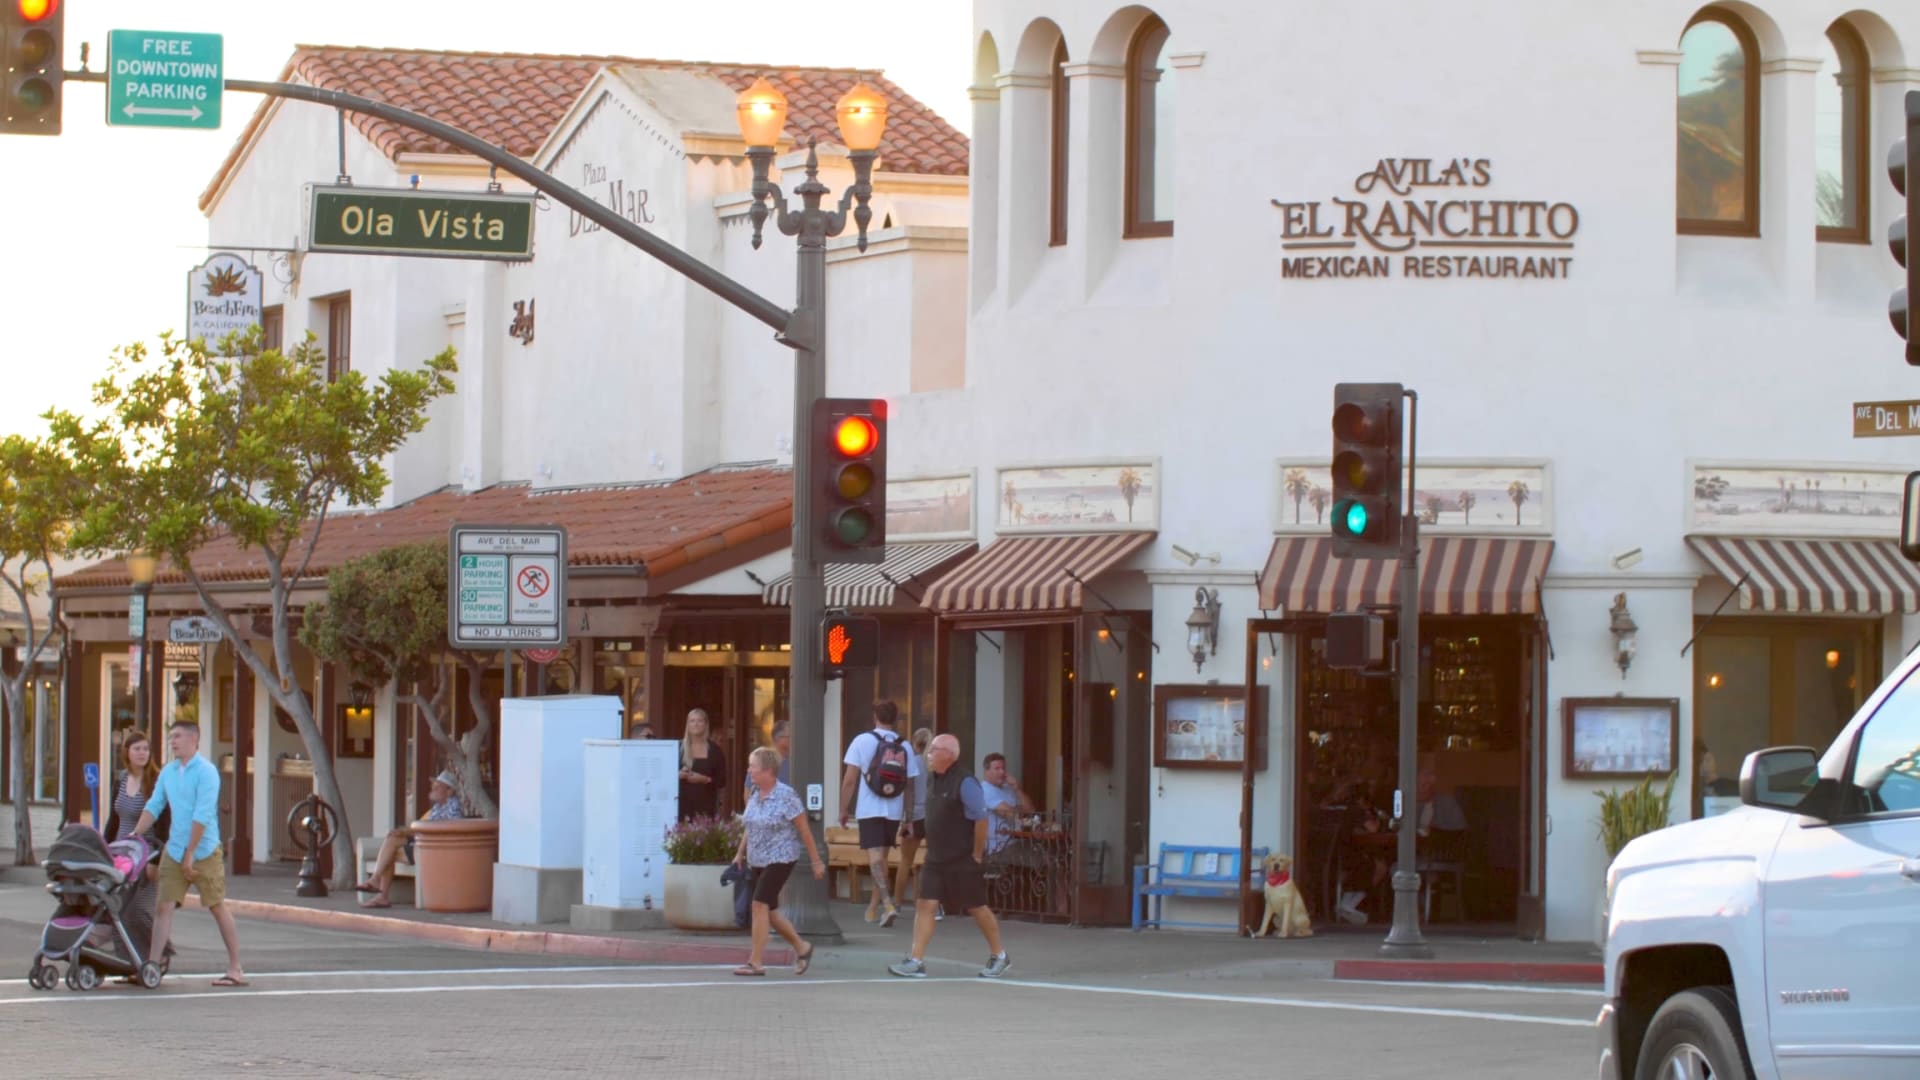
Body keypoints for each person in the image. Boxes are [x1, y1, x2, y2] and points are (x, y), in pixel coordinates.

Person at [133, 720, 247, 988]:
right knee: (164, 906)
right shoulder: (168, 772)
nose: (173, 741)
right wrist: (135, 834)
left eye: (178, 736)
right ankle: (151, 966)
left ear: (194, 739)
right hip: (174, 848)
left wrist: (191, 854)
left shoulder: (207, 772)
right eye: (171, 737)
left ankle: (235, 968)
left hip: (204, 850)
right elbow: (155, 804)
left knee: (217, 906)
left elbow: (202, 814)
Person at [887, 733, 1010, 979]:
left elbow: (981, 819)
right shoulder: (933, 779)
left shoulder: (965, 782)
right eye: (929, 750)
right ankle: (916, 960)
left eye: (934, 750)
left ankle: (1000, 956)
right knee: (925, 904)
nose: (928, 754)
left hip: (962, 857)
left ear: (949, 755)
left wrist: (976, 854)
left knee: (977, 907)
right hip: (936, 857)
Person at [730, 747, 825, 977]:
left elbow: (804, 830)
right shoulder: (754, 793)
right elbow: (750, 826)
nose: (749, 770)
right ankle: (802, 947)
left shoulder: (786, 795)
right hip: (758, 859)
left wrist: (816, 862)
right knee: (770, 912)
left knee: (759, 904)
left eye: (753, 766)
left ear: (768, 770)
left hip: (781, 857)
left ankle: (755, 962)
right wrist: (739, 854)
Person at [839, 700, 920, 927]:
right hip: (893, 810)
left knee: (874, 858)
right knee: (882, 859)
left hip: (869, 807)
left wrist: (843, 809)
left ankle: (887, 904)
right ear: (895, 719)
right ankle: (874, 909)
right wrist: (909, 818)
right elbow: (910, 786)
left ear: (875, 716)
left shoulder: (862, 741)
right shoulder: (905, 746)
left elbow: (850, 780)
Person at [102, 730, 172, 975]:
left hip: (147, 851)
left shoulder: (156, 781)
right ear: (127, 753)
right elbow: (114, 819)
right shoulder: (120, 780)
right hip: (121, 851)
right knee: (117, 910)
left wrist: (161, 855)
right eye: (137, 749)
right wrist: (103, 847)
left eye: (145, 749)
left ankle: (160, 951)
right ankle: (130, 964)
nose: (142, 753)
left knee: (139, 909)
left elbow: (164, 821)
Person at [355, 771, 466, 908]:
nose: (433, 789)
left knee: (392, 849)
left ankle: (380, 891)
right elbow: (425, 828)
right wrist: (404, 832)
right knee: (393, 840)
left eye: (438, 787)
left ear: (449, 791)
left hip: (434, 849)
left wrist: (406, 831)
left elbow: (438, 830)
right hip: (422, 845)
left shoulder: (453, 806)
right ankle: (378, 885)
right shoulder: (438, 807)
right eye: (434, 786)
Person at [891, 727, 934, 913]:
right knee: (932, 862)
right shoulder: (934, 765)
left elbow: (908, 791)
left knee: (905, 861)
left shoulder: (912, 763)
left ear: (915, 743)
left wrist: (905, 819)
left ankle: (897, 903)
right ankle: (931, 904)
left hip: (914, 816)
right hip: (932, 816)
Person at [979, 752, 1035, 856]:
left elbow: (1030, 810)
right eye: (997, 769)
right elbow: (1011, 814)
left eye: (1003, 768)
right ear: (986, 771)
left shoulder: (1008, 788)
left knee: (1045, 851)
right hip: (999, 848)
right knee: (1040, 856)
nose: (1002, 772)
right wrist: (1019, 810)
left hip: (1017, 842)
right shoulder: (984, 790)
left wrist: (1017, 788)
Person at [677, 708, 728, 821]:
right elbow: (663, 776)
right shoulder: (677, 748)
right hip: (680, 807)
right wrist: (679, 775)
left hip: (706, 808)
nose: (696, 724)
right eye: (692, 721)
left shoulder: (715, 751)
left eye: (700, 721)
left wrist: (704, 779)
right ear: (688, 725)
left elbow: (722, 781)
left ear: (706, 724)